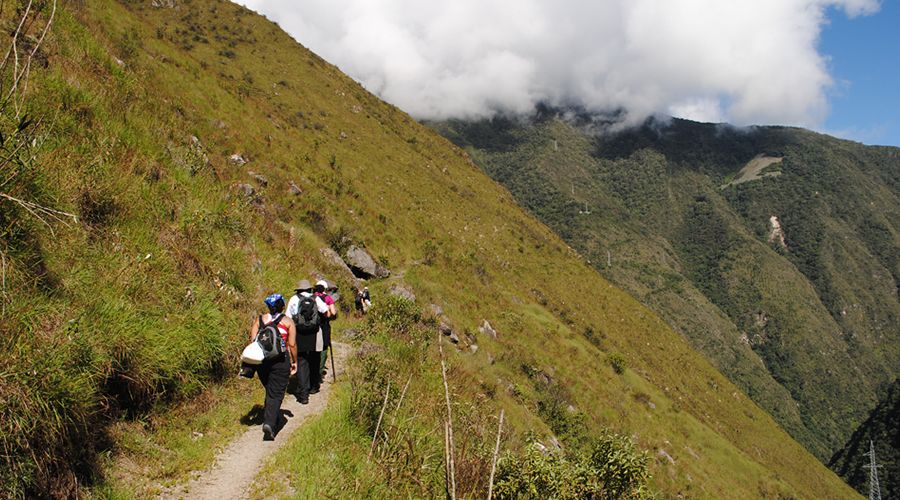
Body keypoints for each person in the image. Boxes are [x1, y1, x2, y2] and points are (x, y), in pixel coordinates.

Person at [249, 293, 297, 440]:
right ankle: (269, 423)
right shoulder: (288, 321)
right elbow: (292, 344)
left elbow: (253, 341)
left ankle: (270, 415)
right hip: (280, 361)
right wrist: (295, 362)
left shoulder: (259, 320)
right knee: (276, 393)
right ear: (282, 306)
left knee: (270, 389)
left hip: (262, 362)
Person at [287, 280, 331, 403]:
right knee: (314, 359)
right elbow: (326, 312)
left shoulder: (293, 299)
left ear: (299, 290)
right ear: (309, 289)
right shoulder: (315, 298)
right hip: (314, 334)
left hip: (299, 333)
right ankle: (313, 386)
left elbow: (288, 317)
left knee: (301, 362)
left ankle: (303, 395)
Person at [315, 280, 338, 382]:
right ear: (325, 288)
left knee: (314, 347)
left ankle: (313, 370)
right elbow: (333, 312)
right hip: (324, 326)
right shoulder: (327, 298)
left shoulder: (311, 297)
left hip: (313, 326)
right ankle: (319, 371)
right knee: (324, 347)